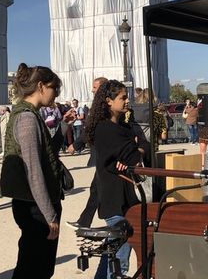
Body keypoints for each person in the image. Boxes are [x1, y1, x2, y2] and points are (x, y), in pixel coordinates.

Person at [0, 63, 75, 278]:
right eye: (54, 88)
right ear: (41, 86)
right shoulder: (27, 118)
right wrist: (50, 214)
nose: (56, 94)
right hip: (35, 206)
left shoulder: (28, 114)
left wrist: (63, 127)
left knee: (36, 266)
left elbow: (47, 152)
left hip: (33, 203)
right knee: (35, 268)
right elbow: (34, 169)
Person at [85, 79, 143, 279]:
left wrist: (135, 150)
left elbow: (138, 150)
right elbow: (131, 152)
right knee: (120, 259)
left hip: (127, 198)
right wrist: (133, 149)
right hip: (114, 200)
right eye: (123, 98)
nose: (127, 101)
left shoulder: (125, 126)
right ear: (109, 101)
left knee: (111, 254)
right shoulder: (104, 129)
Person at [67, 77, 108, 230]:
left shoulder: (103, 107)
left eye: (95, 87)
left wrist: (76, 145)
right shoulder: (100, 106)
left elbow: (90, 129)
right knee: (97, 188)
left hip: (106, 153)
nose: (92, 90)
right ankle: (84, 221)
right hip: (103, 153)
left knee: (98, 188)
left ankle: (86, 222)